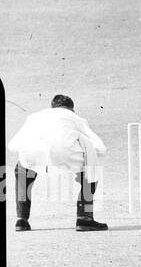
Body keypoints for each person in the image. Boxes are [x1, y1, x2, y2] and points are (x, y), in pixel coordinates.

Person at [9, 93, 109, 232]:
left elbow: (13, 145)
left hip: (33, 152)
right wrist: (83, 169)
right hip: (66, 152)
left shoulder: (35, 117)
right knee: (92, 169)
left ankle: (21, 220)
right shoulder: (75, 118)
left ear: (52, 108)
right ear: (72, 109)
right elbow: (99, 147)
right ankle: (84, 218)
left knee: (21, 170)